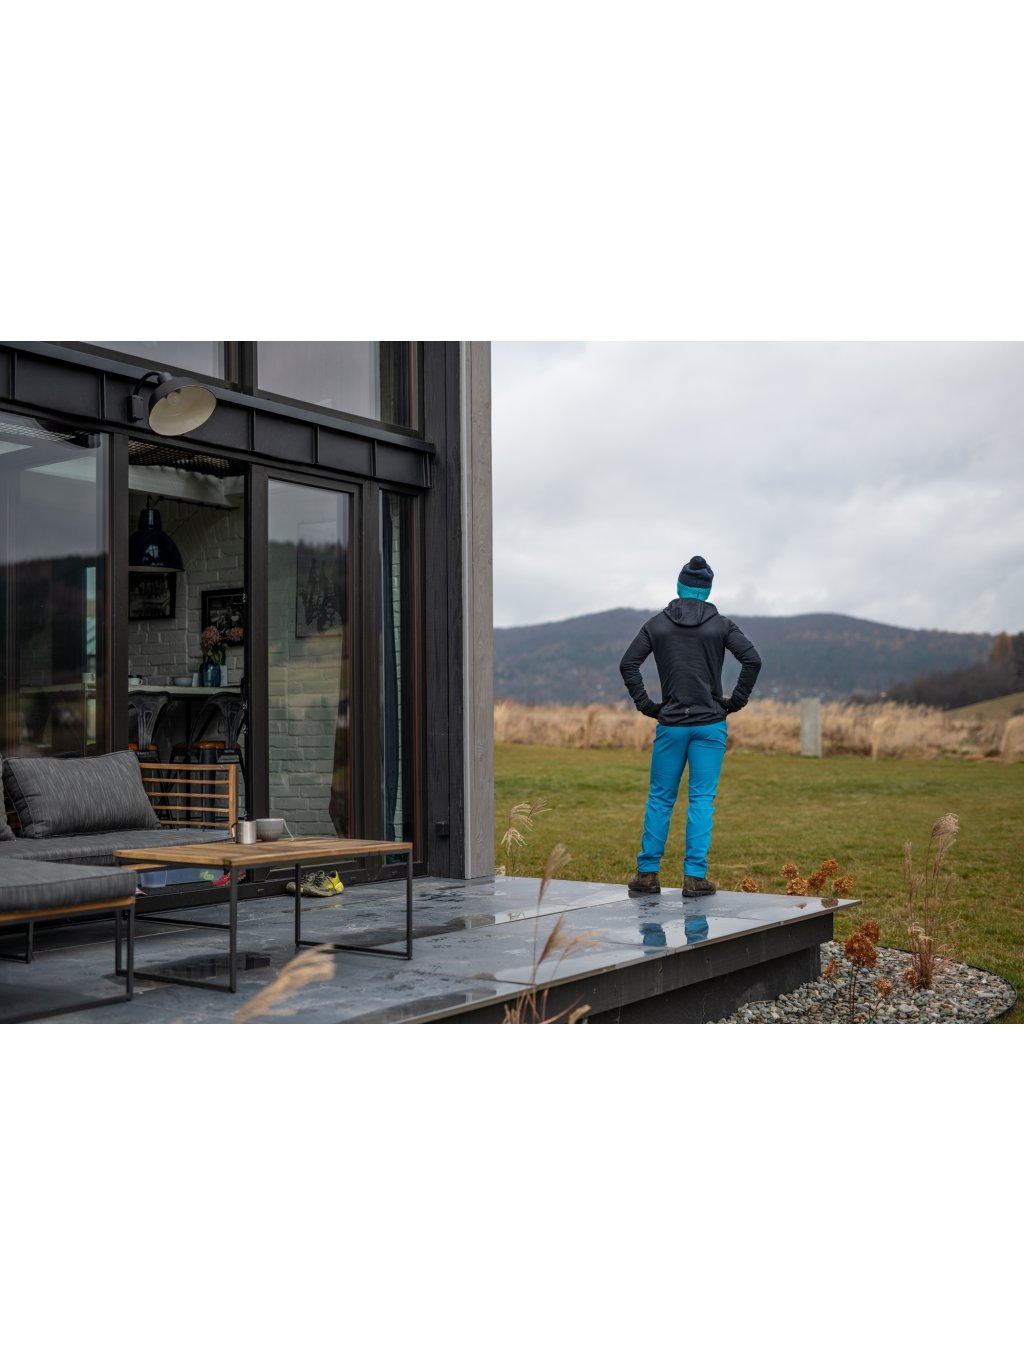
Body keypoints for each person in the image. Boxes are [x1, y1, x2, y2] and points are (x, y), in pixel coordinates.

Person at [619, 555, 761, 898]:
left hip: (671, 725)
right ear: (707, 590)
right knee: (701, 801)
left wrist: (647, 706)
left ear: (679, 586)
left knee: (660, 798)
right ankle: (695, 878)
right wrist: (735, 702)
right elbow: (752, 660)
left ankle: (647, 874)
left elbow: (628, 664)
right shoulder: (721, 625)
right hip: (710, 725)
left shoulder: (657, 625)